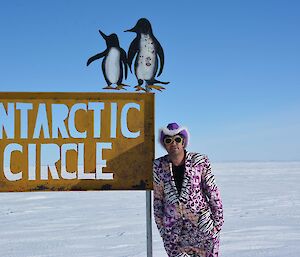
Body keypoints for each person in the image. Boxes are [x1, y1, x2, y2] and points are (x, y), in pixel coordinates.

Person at [153, 122, 224, 257]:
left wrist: (217, 224)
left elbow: (213, 192)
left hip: (203, 230)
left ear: (183, 141)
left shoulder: (200, 162)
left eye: (177, 139)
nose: (173, 143)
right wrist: (163, 231)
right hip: (174, 234)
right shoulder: (158, 166)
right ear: (164, 144)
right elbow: (158, 201)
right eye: (168, 140)